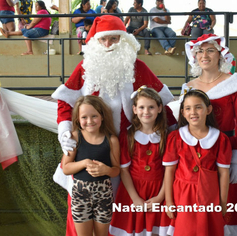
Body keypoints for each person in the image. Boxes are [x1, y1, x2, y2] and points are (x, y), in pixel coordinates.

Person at [51, 15, 177, 236]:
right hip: (87, 148)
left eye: (113, 39)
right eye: (103, 40)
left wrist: (176, 136)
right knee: (81, 211)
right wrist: (64, 131)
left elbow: (160, 104)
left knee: (117, 211)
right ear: (94, 42)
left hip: (129, 152)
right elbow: (66, 101)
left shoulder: (138, 67)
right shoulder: (84, 67)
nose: (108, 45)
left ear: (124, 40)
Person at [183, 34, 237, 236]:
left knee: (228, 201)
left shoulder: (233, 83)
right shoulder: (189, 87)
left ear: (220, 55)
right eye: (200, 51)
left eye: (210, 50)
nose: (204, 55)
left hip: (228, 151)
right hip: (197, 155)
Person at [164, 88, 232, 236]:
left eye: (198, 107)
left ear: (208, 110)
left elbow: (224, 172)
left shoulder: (220, 139)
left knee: (208, 230)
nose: (193, 112)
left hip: (210, 196)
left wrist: (222, 203)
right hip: (182, 196)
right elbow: (169, 171)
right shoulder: (175, 138)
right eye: (188, 108)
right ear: (183, 113)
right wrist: (169, 202)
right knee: (185, 230)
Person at [109, 86, 170, 236]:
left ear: (160, 108)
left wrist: (160, 197)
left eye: (151, 107)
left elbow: (169, 170)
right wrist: (135, 198)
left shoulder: (167, 136)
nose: (146, 111)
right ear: (135, 109)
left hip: (158, 191)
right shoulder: (127, 136)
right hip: (132, 192)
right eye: (141, 107)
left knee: (154, 230)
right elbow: (124, 170)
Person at [61, 95, 120, 236]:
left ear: (102, 116)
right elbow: (66, 168)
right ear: (78, 119)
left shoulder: (111, 140)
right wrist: (84, 162)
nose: (89, 121)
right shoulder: (75, 137)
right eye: (84, 117)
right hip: (80, 196)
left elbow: (116, 170)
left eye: (94, 116)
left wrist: (106, 170)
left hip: (104, 196)